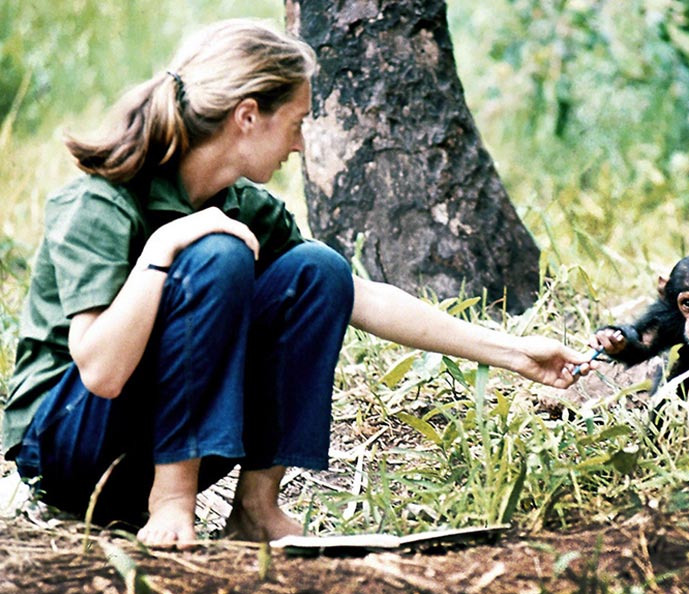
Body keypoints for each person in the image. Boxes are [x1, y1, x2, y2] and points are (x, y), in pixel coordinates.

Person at [1, 19, 595, 548]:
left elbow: (356, 297)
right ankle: (172, 497)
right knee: (218, 253)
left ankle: (256, 509)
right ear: (248, 115)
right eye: (298, 122)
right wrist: (165, 245)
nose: (302, 143)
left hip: (144, 441)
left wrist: (516, 352)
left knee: (318, 270)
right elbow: (100, 374)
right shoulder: (102, 201)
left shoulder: (240, 205)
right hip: (67, 449)